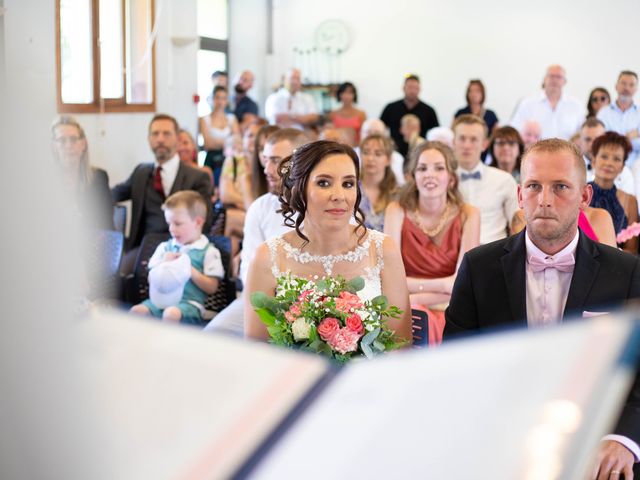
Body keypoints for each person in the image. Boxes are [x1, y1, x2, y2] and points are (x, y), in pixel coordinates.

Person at [443, 138, 640, 480]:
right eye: (534, 186)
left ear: (584, 197)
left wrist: (622, 439)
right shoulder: (479, 267)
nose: (545, 200)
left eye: (561, 187)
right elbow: (456, 364)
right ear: (520, 195)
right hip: (502, 431)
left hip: (596, 433)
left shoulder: (626, 272)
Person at [244, 140, 412, 342]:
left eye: (348, 184)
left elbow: (400, 345)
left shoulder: (383, 249)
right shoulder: (267, 258)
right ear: (299, 188)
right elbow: (258, 350)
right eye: (324, 183)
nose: (339, 195)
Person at [203, 128, 308, 336]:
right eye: (266, 159)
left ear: (301, 163)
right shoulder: (260, 207)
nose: (267, 169)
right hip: (261, 298)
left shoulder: (320, 205)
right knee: (213, 333)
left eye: (276, 161)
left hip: (310, 299)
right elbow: (248, 266)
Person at [385, 141, 480, 344]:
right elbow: (390, 278)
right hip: (407, 305)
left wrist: (416, 296)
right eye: (422, 168)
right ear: (412, 176)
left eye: (439, 168)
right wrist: (444, 286)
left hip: (451, 305)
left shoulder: (469, 214)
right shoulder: (396, 210)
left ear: (451, 178)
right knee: (418, 317)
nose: (430, 174)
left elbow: (462, 284)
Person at [112, 114, 213, 274]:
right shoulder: (141, 172)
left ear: (178, 139)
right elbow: (111, 195)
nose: (160, 139)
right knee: (119, 279)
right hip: (143, 248)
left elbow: (205, 221)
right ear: (148, 139)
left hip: (183, 248)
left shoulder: (197, 177)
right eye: (155, 134)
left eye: (166, 134)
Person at [130, 191, 224, 325]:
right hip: (159, 301)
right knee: (136, 311)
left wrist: (189, 269)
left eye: (178, 224)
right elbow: (150, 276)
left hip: (190, 304)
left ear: (197, 222)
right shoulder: (165, 247)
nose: (171, 229)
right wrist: (164, 263)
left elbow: (212, 287)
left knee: (171, 314)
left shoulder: (209, 251)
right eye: (169, 223)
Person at [453, 114, 519, 244]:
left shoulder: (504, 180)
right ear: (453, 142)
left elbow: (518, 219)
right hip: (452, 255)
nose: (467, 145)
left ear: (484, 144)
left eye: (473, 139)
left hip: (494, 254)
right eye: (462, 139)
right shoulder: (441, 182)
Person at [51, 115, 113, 230]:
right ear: (54, 147)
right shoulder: (44, 184)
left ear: (83, 144)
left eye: (73, 139)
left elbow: (107, 227)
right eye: (62, 140)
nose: (68, 146)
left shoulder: (99, 178)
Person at [589, 131, 639, 254]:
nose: (609, 163)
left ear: (622, 167)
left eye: (616, 159)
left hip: (617, 266)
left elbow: (632, 249)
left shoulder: (630, 201)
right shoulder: (578, 194)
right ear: (594, 160)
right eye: (604, 156)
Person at [510, 64, 584, 140]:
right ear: (544, 79)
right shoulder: (527, 104)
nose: (554, 80)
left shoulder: (576, 105)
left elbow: (582, 134)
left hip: (568, 150)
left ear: (564, 81)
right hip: (536, 150)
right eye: (551, 76)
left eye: (558, 77)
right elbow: (515, 130)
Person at [380, 74, 439, 158]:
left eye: (415, 88)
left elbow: (435, 133)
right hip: (394, 153)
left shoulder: (429, 111)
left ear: (419, 90)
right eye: (410, 87)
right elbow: (381, 128)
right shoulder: (391, 108)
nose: (412, 91)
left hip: (421, 153)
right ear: (403, 88)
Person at [578, 119, 635, 195]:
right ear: (579, 141)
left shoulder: (625, 173)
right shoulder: (572, 168)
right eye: (588, 139)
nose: (592, 144)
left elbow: (628, 202)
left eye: (597, 139)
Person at [199, 85, 240, 187]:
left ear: (227, 101)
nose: (220, 101)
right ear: (212, 99)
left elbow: (238, 141)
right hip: (211, 159)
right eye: (217, 97)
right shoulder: (204, 119)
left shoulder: (231, 118)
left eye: (223, 98)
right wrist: (228, 142)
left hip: (229, 158)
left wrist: (218, 142)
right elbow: (208, 144)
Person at [597, 70, 640, 169]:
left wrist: (616, 138)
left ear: (636, 89)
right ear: (616, 86)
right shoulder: (604, 113)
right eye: (623, 83)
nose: (627, 88)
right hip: (608, 166)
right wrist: (630, 137)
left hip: (635, 167)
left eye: (631, 85)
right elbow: (601, 140)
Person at [359, 134, 398, 232]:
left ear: (388, 160)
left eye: (378, 154)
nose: (370, 158)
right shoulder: (350, 187)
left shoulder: (397, 193)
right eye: (366, 152)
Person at [358, 118, 406, 186]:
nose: (370, 158)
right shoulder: (351, 154)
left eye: (378, 154)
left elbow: (400, 182)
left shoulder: (397, 157)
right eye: (368, 132)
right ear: (360, 133)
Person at [249, 125, 280, 201]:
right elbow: (251, 211)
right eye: (261, 149)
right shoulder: (249, 179)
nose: (264, 154)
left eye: (269, 148)